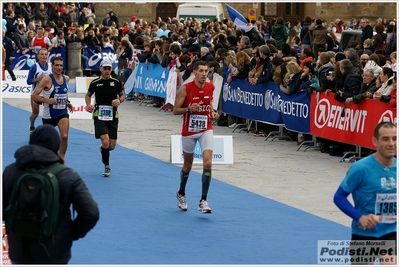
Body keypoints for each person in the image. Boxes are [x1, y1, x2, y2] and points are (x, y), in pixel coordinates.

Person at [2, 124, 99, 264]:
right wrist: (70, 234)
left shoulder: (10, 171)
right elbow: (91, 212)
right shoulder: (68, 175)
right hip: (54, 250)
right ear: (56, 145)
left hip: (20, 248)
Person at [333, 121, 397, 265]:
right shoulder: (361, 168)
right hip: (364, 234)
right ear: (375, 141)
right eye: (385, 139)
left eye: (395, 138)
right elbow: (339, 197)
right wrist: (360, 217)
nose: (391, 143)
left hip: (391, 231)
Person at [173, 60, 220, 213]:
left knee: (207, 163)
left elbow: (209, 103)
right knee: (188, 165)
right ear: (194, 72)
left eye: (206, 71)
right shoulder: (186, 89)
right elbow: (175, 110)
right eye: (201, 71)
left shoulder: (210, 86)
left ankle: (203, 200)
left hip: (206, 128)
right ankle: (181, 193)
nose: (204, 74)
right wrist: (188, 109)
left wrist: (212, 113)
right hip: (189, 130)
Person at [85, 59, 125, 177]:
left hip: (113, 115)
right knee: (106, 141)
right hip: (99, 115)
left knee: (111, 146)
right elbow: (88, 95)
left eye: (109, 69)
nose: (107, 71)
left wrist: (119, 100)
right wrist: (89, 105)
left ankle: (103, 149)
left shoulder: (116, 82)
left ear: (111, 69)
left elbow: (122, 95)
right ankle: (107, 166)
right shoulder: (95, 83)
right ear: (100, 69)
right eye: (105, 68)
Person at [31, 56, 73, 157]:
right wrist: (47, 100)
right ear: (52, 66)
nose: (59, 67)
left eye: (61, 65)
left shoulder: (66, 78)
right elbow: (34, 96)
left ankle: (61, 159)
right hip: (48, 115)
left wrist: (67, 102)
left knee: (64, 136)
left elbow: (64, 92)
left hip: (62, 113)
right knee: (47, 142)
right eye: (57, 65)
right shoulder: (46, 79)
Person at [27, 48, 52, 133]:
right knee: (35, 114)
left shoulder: (51, 66)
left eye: (45, 54)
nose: (44, 56)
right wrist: (38, 79)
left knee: (48, 115)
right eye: (42, 54)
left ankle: (46, 131)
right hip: (36, 94)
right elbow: (28, 81)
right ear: (38, 56)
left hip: (47, 94)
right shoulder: (34, 67)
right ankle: (32, 126)